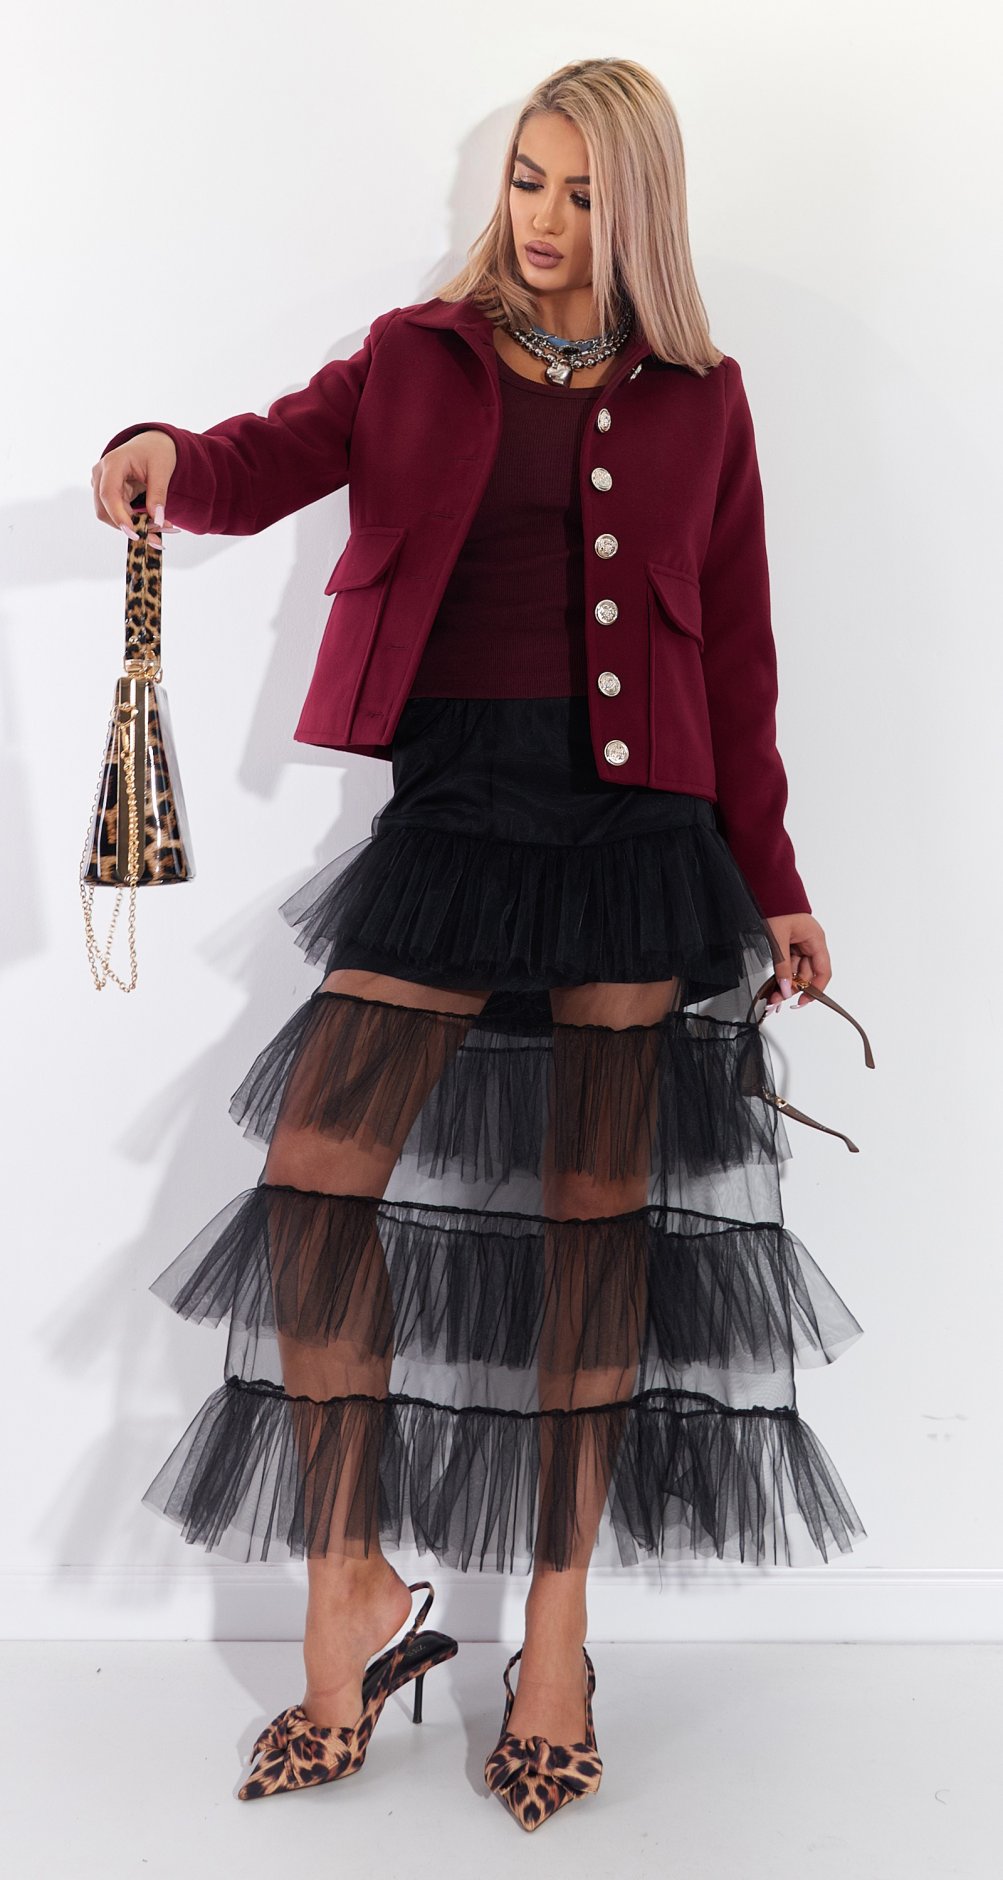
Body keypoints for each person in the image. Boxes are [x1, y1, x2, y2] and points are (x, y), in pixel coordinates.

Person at [91, 56, 868, 1832]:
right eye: (528, 179)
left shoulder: (704, 398)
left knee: (598, 1222)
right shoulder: (415, 356)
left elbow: (739, 650)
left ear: (640, 210)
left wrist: (775, 878)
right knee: (315, 1178)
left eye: (584, 192)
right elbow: (262, 459)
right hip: (454, 823)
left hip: (641, 837)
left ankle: (558, 1642)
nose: (543, 218)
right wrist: (167, 462)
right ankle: (351, 1588)